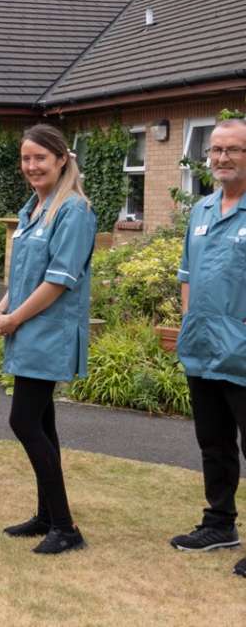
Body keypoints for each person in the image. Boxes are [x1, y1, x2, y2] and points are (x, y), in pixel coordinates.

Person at [0, 123, 95, 555]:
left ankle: (66, 527)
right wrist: (5, 306)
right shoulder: (35, 206)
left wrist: (14, 319)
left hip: (48, 332)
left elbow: (59, 280)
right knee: (43, 424)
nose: (31, 166)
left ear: (61, 159)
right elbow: (26, 273)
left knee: (24, 421)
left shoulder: (74, 211)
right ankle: (48, 514)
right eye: (26, 158)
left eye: (40, 158)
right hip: (29, 326)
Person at [170, 117, 246, 579]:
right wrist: (188, 322)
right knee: (214, 444)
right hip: (202, 349)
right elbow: (186, 277)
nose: (221, 158)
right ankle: (219, 523)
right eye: (215, 150)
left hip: (243, 352)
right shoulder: (201, 211)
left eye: (231, 150)